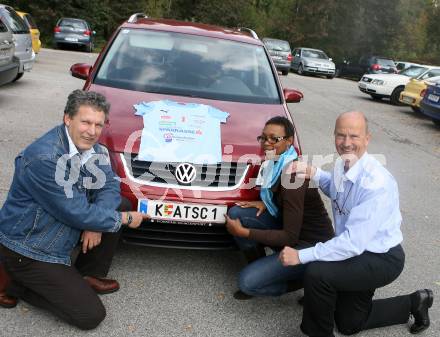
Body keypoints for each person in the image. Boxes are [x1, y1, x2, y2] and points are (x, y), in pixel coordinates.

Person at [0, 90, 149, 330]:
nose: (92, 131)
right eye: (86, 122)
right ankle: (14, 282)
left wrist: (96, 222)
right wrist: (124, 218)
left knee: (118, 202)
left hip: (60, 231)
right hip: (30, 247)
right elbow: (74, 211)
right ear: (67, 118)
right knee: (90, 315)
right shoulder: (45, 158)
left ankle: (87, 274)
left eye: (98, 124)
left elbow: (110, 185)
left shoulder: (97, 150)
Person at [280, 111, 433, 336]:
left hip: (381, 258)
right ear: (334, 136)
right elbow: (335, 189)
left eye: (354, 136)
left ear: (367, 139)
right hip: (356, 252)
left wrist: (300, 256)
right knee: (350, 323)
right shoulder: (345, 165)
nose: (346, 143)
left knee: (317, 273)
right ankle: (414, 302)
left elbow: (352, 244)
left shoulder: (376, 184)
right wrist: (314, 172)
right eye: (341, 135)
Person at [224, 116, 334, 299]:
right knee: (237, 214)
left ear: (289, 141)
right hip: (291, 229)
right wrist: (265, 202)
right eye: (263, 138)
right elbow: (280, 200)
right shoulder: (276, 163)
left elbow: (290, 237)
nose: (267, 143)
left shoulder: (293, 177)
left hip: (311, 247)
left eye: (274, 139)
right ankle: (266, 269)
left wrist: (245, 233)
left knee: (247, 283)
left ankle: (305, 280)